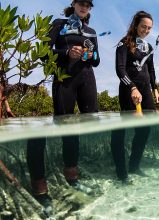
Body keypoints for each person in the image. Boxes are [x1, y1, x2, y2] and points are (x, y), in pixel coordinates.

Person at [26, 0, 99, 211]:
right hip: (64, 78)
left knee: (82, 124)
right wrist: (67, 53)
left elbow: (96, 60)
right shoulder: (59, 23)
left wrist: (88, 54)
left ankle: (72, 178)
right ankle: (41, 187)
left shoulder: (91, 31)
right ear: (74, 4)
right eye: (82, 3)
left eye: (88, 5)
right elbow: (42, 53)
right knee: (65, 124)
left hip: (87, 79)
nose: (85, 7)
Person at [110, 11, 159, 183]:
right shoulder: (124, 43)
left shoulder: (149, 48)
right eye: (143, 27)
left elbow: (151, 70)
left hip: (146, 91)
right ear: (135, 25)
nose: (146, 30)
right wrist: (132, 87)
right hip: (128, 90)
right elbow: (120, 69)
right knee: (121, 130)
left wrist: (155, 89)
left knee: (145, 129)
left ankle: (134, 165)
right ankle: (121, 172)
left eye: (149, 28)